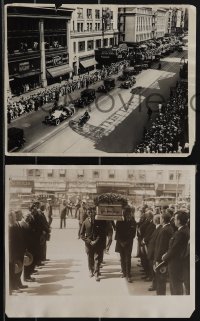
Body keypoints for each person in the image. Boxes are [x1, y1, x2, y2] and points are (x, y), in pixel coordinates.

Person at [162, 211, 190, 295]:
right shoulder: (185, 230)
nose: (174, 221)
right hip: (179, 262)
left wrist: (165, 257)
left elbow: (174, 249)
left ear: (179, 221)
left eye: (175, 219)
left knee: (175, 287)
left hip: (175, 264)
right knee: (176, 286)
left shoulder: (180, 233)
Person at [80, 210, 106, 281]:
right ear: (87, 213)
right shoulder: (85, 222)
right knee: (90, 258)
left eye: (92, 212)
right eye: (89, 212)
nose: (90, 214)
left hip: (97, 243)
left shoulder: (98, 221)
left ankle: (96, 273)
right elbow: (81, 234)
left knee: (97, 258)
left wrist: (96, 241)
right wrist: (89, 241)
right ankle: (91, 270)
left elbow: (101, 233)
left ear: (94, 213)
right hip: (88, 244)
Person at [154, 213, 174, 295]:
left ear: (163, 219)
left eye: (161, 218)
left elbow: (161, 247)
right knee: (162, 279)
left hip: (161, 259)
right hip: (165, 258)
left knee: (161, 280)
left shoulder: (164, 230)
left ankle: (160, 296)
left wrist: (157, 260)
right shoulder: (169, 228)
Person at [115, 206, 136, 283]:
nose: (128, 215)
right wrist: (121, 242)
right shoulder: (119, 221)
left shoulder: (133, 221)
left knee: (128, 259)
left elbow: (133, 234)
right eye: (127, 213)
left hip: (128, 243)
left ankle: (128, 275)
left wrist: (126, 242)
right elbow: (117, 233)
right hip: (121, 243)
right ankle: (124, 273)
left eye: (129, 213)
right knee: (122, 258)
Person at [147, 214, 162, 291]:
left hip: (154, 253)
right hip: (152, 253)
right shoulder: (158, 228)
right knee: (153, 270)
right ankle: (154, 284)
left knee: (154, 270)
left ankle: (154, 285)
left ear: (155, 221)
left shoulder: (159, 228)